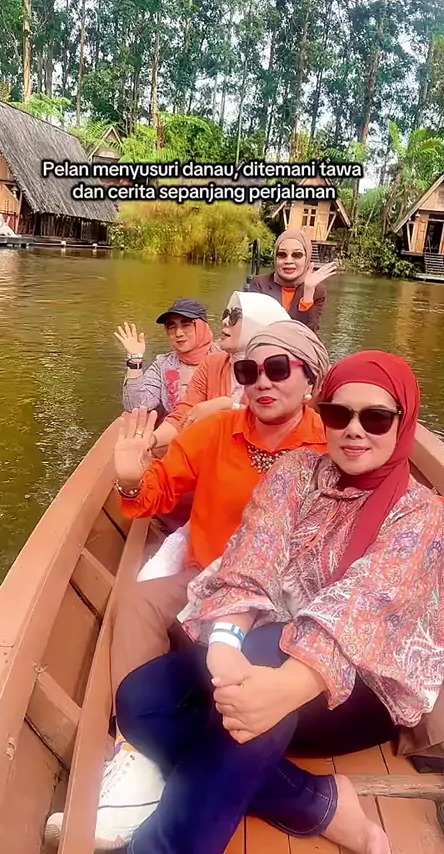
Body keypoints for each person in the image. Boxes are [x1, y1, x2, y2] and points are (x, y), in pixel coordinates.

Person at [112, 350, 444, 854]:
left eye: (376, 418)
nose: (354, 430)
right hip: (265, 653)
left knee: (266, 659)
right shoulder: (296, 471)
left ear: (403, 421)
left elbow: (360, 608)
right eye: (339, 414)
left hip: (358, 688)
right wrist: (224, 645)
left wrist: (284, 687)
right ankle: (316, 802)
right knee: (141, 701)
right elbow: (253, 558)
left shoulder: (422, 514)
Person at [44, 320, 330, 850]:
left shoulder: (332, 442)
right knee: (140, 601)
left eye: (277, 369)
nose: (261, 381)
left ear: (310, 379)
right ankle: (136, 753)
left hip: (296, 593)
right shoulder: (216, 431)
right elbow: (153, 494)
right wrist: (131, 476)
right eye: (248, 370)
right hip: (211, 576)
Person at [151, 290, 290, 450]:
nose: (224, 321)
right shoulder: (212, 363)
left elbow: (280, 424)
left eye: (234, 317)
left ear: (259, 324)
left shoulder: (281, 371)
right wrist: (149, 441)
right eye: (226, 314)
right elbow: (184, 415)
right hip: (215, 453)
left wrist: (229, 406)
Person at [116, 298, 219, 419]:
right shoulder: (163, 364)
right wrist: (135, 359)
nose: (178, 333)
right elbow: (135, 406)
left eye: (186, 325)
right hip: (176, 428)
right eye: (172, 326)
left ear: (202, 327)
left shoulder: (225, 358)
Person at [249, 229, 337, 334]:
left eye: (297, 255)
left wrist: (308, 293)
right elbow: (251, 327)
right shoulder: (259, 284)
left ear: (307, 258)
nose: (288, 261)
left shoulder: (318, 291)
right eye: (282, 254)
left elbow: (309, 334)